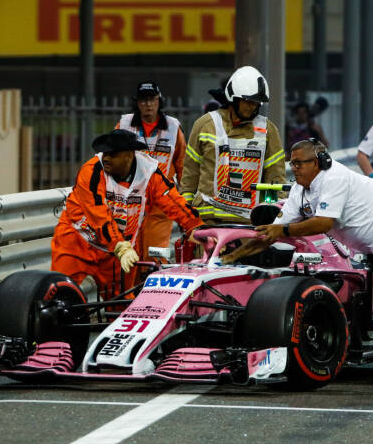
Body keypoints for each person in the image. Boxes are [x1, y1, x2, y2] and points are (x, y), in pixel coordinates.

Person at [245, 139, 373, 384]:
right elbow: (279, 226)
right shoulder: (301, 188)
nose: (295, 168)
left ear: (320, 161)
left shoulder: (334, 178)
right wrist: (253, 243)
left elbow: (323, 223)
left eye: (300, 163)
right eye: (293, 163)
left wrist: (283, 231)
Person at [51, 129, 202, 297]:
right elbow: (98, 214)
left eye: (113, 154)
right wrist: (120, 246)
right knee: (60, 292)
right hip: (77, 240)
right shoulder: (91, 170)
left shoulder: (150, 173)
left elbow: (174, 202)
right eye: (105, 153)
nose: (106, 158)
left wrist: (196, 228)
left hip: (117, 249)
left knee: (120, 302)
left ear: (129, 155)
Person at [180, 66, 287, 222]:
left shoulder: (268, 131)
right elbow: (190, 174)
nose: (252, 106)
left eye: (256, 103)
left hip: (249, 222)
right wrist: (187, 215)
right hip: (209, 220)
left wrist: (275, 214)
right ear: (233, 98)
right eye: (247, 101)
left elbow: (275, 178)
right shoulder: (205, 125)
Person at [115, 82, 187, 261]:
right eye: (143, 100)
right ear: (137, 103)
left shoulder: (173, 127)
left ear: (159, 101)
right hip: (129, 201)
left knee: (155, 255)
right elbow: (112, 159)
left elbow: (183, 166)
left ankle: (155, 287)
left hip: (161, 203)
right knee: (130, 255)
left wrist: (185, 200)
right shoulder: (124, 124)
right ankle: (133, 289)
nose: (148, 104)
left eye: (152, 100)